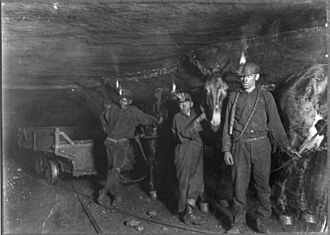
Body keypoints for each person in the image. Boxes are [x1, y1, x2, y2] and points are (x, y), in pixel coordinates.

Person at [222, 63, 298, 233]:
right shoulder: (233, 98)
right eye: (242, 77)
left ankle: (262, 221)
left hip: (261, 146)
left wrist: (286, 145)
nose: (244, 80)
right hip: (239, 146)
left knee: (263, 187)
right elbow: (227, 125)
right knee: (238, 186)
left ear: (256, 77)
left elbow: (275, 124)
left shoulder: (266, 97)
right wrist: (226, 149)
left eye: (248, 76)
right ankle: (238, 223)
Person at [97, 88, 159, 207]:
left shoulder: (134, 112)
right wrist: (105, 129)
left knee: (116, 169)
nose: (122, 103)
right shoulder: (113, 109)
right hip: (109, 143)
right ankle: (117, 196)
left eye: (125, 101)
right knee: (112, 170)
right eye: (121, 100)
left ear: (130, 102)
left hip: (122, 143)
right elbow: (103, 116)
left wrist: (156, 120)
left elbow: (146, 118)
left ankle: (103, 192)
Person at [171, 92, 207, 225]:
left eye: (186, 102)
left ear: (191, 104)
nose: (183, 105)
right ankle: (183, 212)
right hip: (184, 151)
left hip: (197, 150)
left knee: (197, 181)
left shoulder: (193, 114)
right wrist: (198, 120)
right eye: (180, 103)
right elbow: (184, 134)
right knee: (184, 182)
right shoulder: (177, 117)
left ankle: (190, 211)